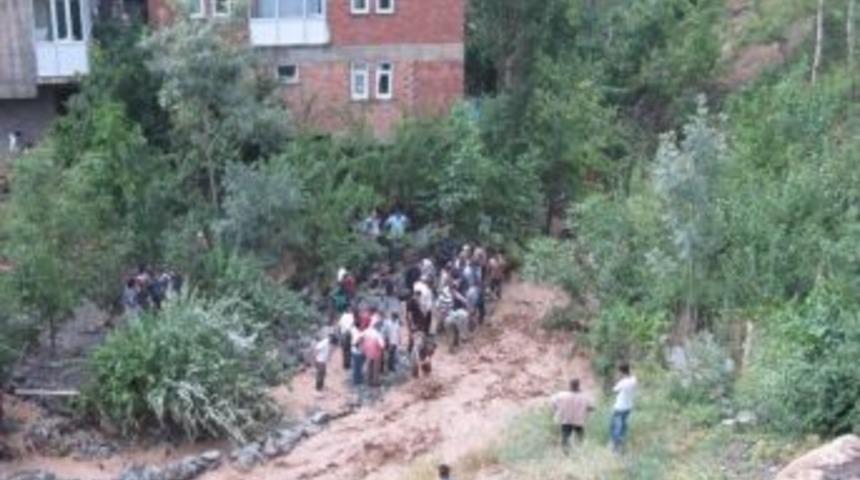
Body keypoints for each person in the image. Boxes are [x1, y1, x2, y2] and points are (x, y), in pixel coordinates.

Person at [551, 378, 593, 451]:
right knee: (580, 438)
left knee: (565, 437)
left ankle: (566, 453)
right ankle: (580, 452)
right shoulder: (584, 397)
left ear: (569, 385)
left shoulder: (561, 395)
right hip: (579, 421)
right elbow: (590, 408)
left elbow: (554, 404)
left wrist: (557, 411)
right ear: (578, 385)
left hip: (565, 420)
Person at [610, 364, 637, 453]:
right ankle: (621, 444)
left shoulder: (622, 382)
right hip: (628, 406)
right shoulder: (634, 380)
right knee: (623, 426)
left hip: (619, 407)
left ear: (621, 372)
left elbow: (614, 390)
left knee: (615, 427)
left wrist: (618, 380)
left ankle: (616, 448)